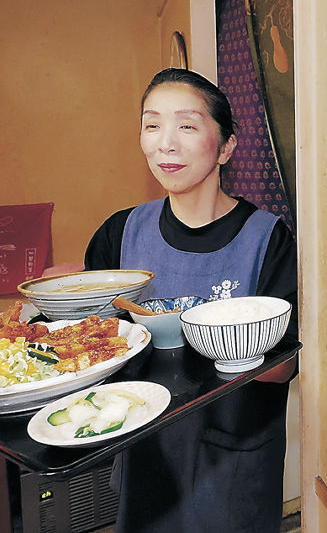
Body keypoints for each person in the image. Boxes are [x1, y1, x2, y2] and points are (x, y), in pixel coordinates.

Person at [83, 67, 298, 532]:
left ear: (225, 147)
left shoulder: (268, 238)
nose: (166, 143)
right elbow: (94, 347)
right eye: (152, 124)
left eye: (186, 125)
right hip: (145, 454)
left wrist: (180, 329)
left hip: (235, 459)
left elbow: (283, 367)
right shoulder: (119, 234)